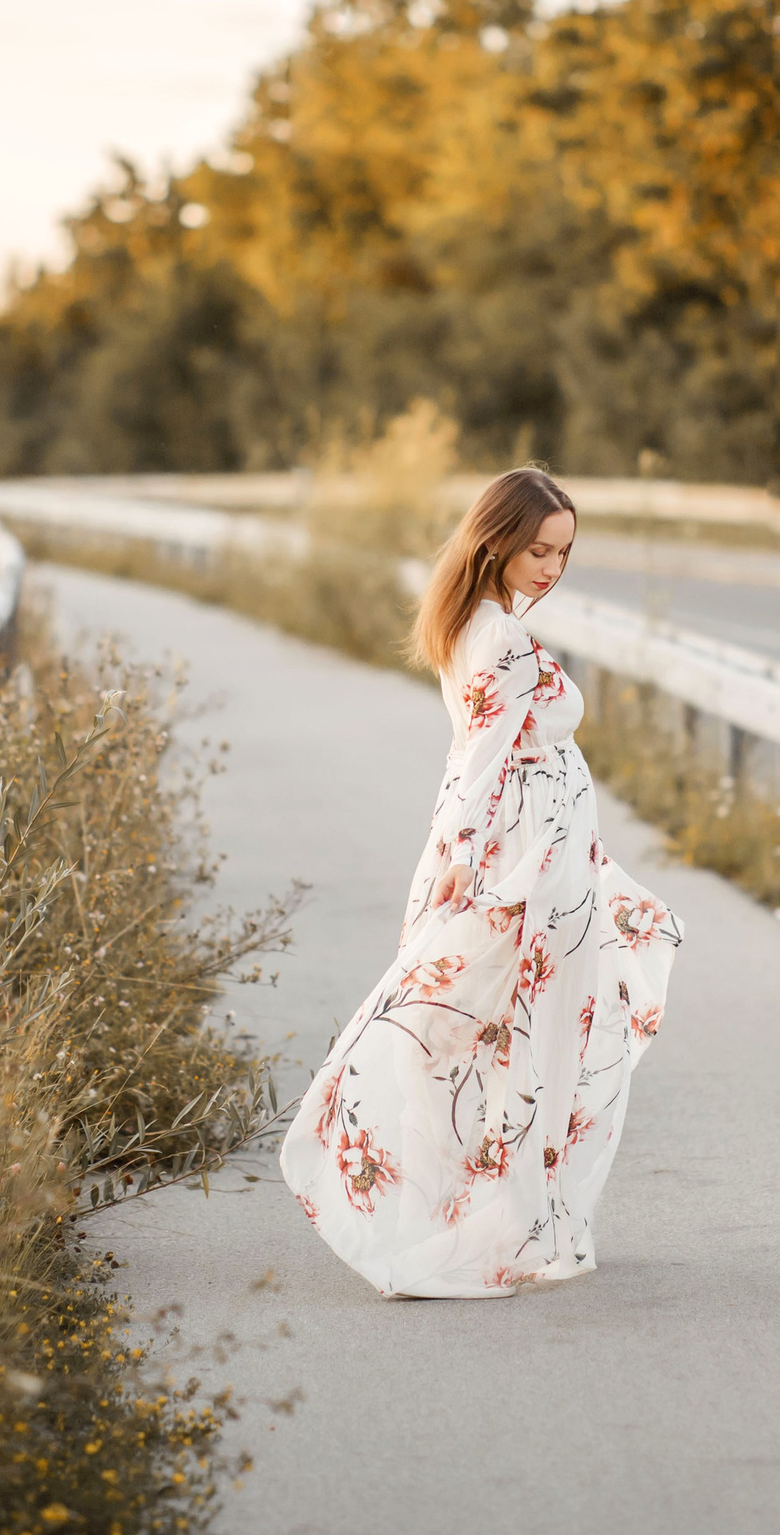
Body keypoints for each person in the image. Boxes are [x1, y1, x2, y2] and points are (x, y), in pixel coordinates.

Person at [279, 466, 684, 1298]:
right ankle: (505, 1224)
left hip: (544, 850)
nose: (551, 567)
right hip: (526, 857)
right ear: (495, 539)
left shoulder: (472, 620)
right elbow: (483, 757)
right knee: (530, 1032)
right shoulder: (497, 636)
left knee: (512, 1029)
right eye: (538, 548)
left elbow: (484, 753)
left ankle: (508, 1216)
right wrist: (463, 857)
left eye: (564, 552)